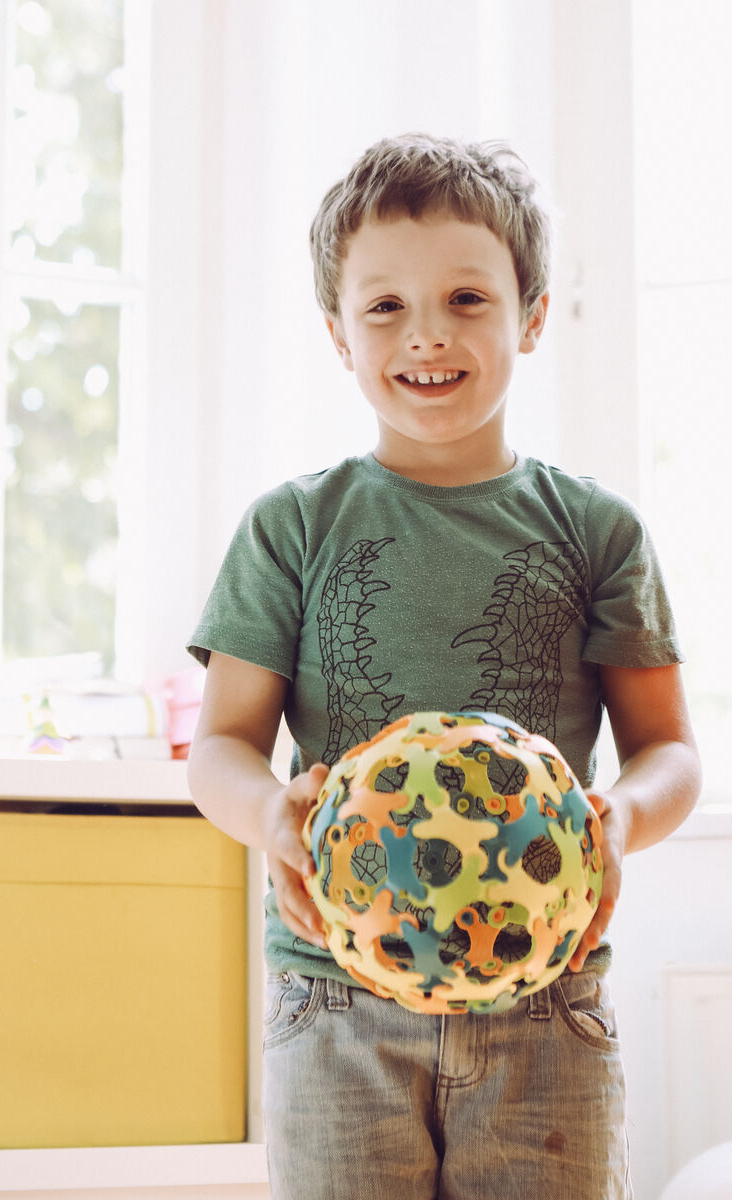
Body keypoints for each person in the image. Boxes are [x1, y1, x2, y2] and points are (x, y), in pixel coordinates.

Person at [186, 134, 701, 1199]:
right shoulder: (290, 527)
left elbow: (668, 752)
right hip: (332, 1001)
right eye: (384, 308)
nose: (427, 333)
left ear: (533, 313)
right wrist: (269, 812)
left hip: (545, 1000)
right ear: (336, 334)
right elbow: (222, 746)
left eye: (467, 297)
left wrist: (622, 819)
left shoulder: (596, 531)